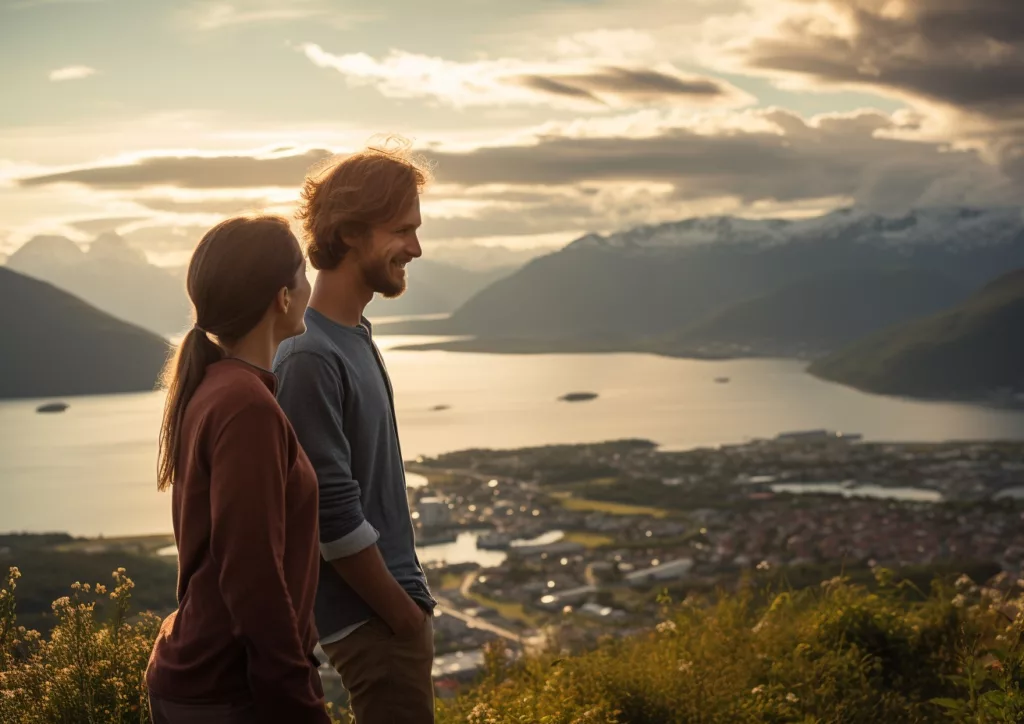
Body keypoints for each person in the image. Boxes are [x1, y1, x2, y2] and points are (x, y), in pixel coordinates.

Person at [274, 138, 436, 723]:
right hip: (373, 620)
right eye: (402, 230)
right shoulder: (310, 355)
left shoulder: (351, 336)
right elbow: (329, 513)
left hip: (385, 615)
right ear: (348, 234)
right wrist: (401, 615)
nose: (416, 248)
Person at [146, 215, 331, 724]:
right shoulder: (246, 405)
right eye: (302, 273)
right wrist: (298, 700)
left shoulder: (216, 387)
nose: (309, 284)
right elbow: (252, 573)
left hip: (206, 678)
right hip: (228, 691)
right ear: (282, 296)